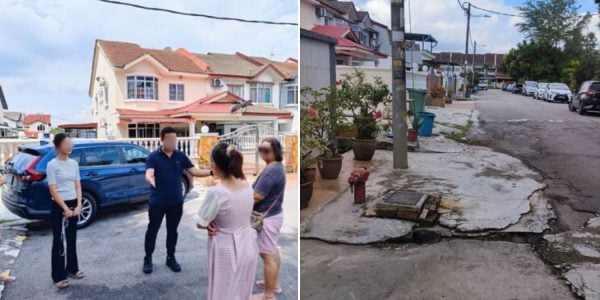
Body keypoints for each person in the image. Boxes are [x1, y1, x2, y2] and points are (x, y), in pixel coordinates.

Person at [143, 127, 211, 274]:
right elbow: (149, 173)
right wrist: (150, 179)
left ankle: (170, 257)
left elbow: (194, 171)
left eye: (175, 140)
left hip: (176, 202)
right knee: (152, 230)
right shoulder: (153, 157)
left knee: (172, 231)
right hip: (157, 202)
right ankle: (148, 258)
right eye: (170, 140)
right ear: (162, 140)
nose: (173, 142)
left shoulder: (180, 156)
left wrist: (212, 172)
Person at [196, 143, 258, 300]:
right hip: (248, 243)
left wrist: (209, 223)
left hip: (227, 248)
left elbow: (201, 222)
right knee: (242, 289)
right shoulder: (246, 185)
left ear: (215, 165)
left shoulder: (217, 193)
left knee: (223, 292)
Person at [46, 133, 84, 288]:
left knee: (72, 238)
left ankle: (72, 269)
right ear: (58, 146)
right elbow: (53, 191)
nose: (70, 146)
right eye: (67, 143)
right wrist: (65, 209)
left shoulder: (74, 164)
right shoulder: (52, 165)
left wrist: (79, 204)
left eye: (71, 143)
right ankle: (58, 276)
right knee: (59, 241)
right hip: (59, 206)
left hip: (74, 203)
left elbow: (78, 185)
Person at [252, 138, 286, 300]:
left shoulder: (272, 170)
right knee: (272, 252)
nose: (262, 152)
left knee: (267, 255)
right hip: (274, 215)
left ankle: (268, 295)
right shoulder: (275, 167)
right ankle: (274, 284)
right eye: (261, 149)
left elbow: (257, 195)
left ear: (276, 152)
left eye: (266, 150)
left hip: (268, 218)